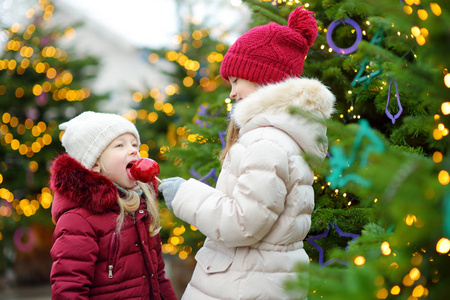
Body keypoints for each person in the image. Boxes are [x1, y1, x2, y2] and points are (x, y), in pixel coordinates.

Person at [158, 6, 336, 300]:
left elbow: (243, 222)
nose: (232, 93)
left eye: (236, 80)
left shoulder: (267, 142)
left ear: (262, 77)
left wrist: (183, 195)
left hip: (242, 285)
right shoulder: (276, 136)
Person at [49, 111, 177, 300]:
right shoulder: (78, 219)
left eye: (134, 144)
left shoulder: (140, 208)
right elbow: (69, 288)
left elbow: (158, 278)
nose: (133, 150)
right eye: (120, 145)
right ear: (95, 164)